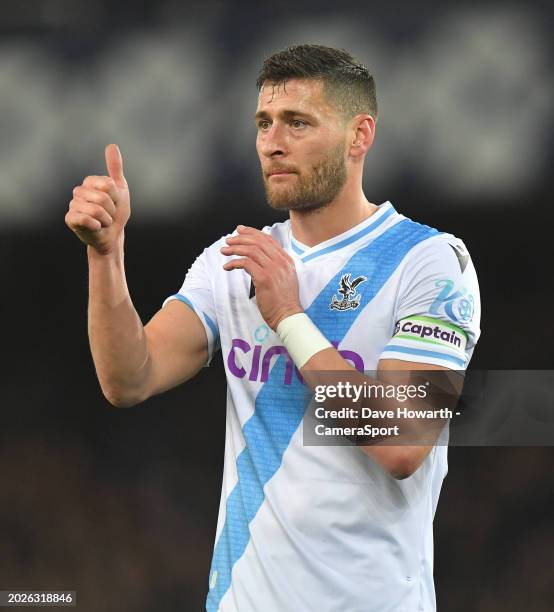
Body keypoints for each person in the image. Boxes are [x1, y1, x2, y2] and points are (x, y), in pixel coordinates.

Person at [66, 44, 480, 612]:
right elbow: (128, 378)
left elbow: (403, 443)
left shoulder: (432, 262)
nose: (272, 142)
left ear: (359, 136)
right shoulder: (232, 261)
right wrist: (105, 257)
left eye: (297, 122)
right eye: (263, 123)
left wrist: (289, 317)